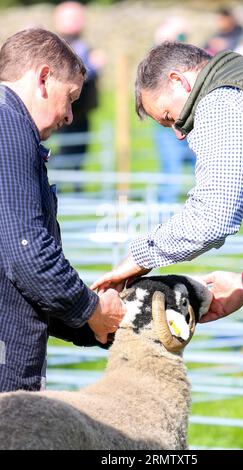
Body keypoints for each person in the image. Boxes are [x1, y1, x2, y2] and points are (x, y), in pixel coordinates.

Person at [91, 41, 243, 449]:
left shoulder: (221, 97)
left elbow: (214, 214)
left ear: (179, 80)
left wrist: (138, 257)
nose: (179, 132)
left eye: (171, 116)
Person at [0, 28, 125, 392]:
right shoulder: (9, 125)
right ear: (42, 78)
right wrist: (92, 309)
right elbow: (26, 252)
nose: (70, 116)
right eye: (69, 98)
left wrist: (91, 323)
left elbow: (18, 271)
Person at [54, 1, 104, 184]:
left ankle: (77, 190)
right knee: (66, 151)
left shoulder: (82, 44)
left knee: (80, 153)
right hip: (66, 109)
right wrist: (93, 66)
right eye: (75, 18)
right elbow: (73, 74)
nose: (80, 22)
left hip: (82, 109)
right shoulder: (60, 46)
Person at [154, 16, 195, 203]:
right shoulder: (156, 61)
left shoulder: (188, 59)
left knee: (200, 171)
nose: (180, 39)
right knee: (171, 173)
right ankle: (163, 214)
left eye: (182, 35)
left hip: (191, 123)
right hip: (169, 125)